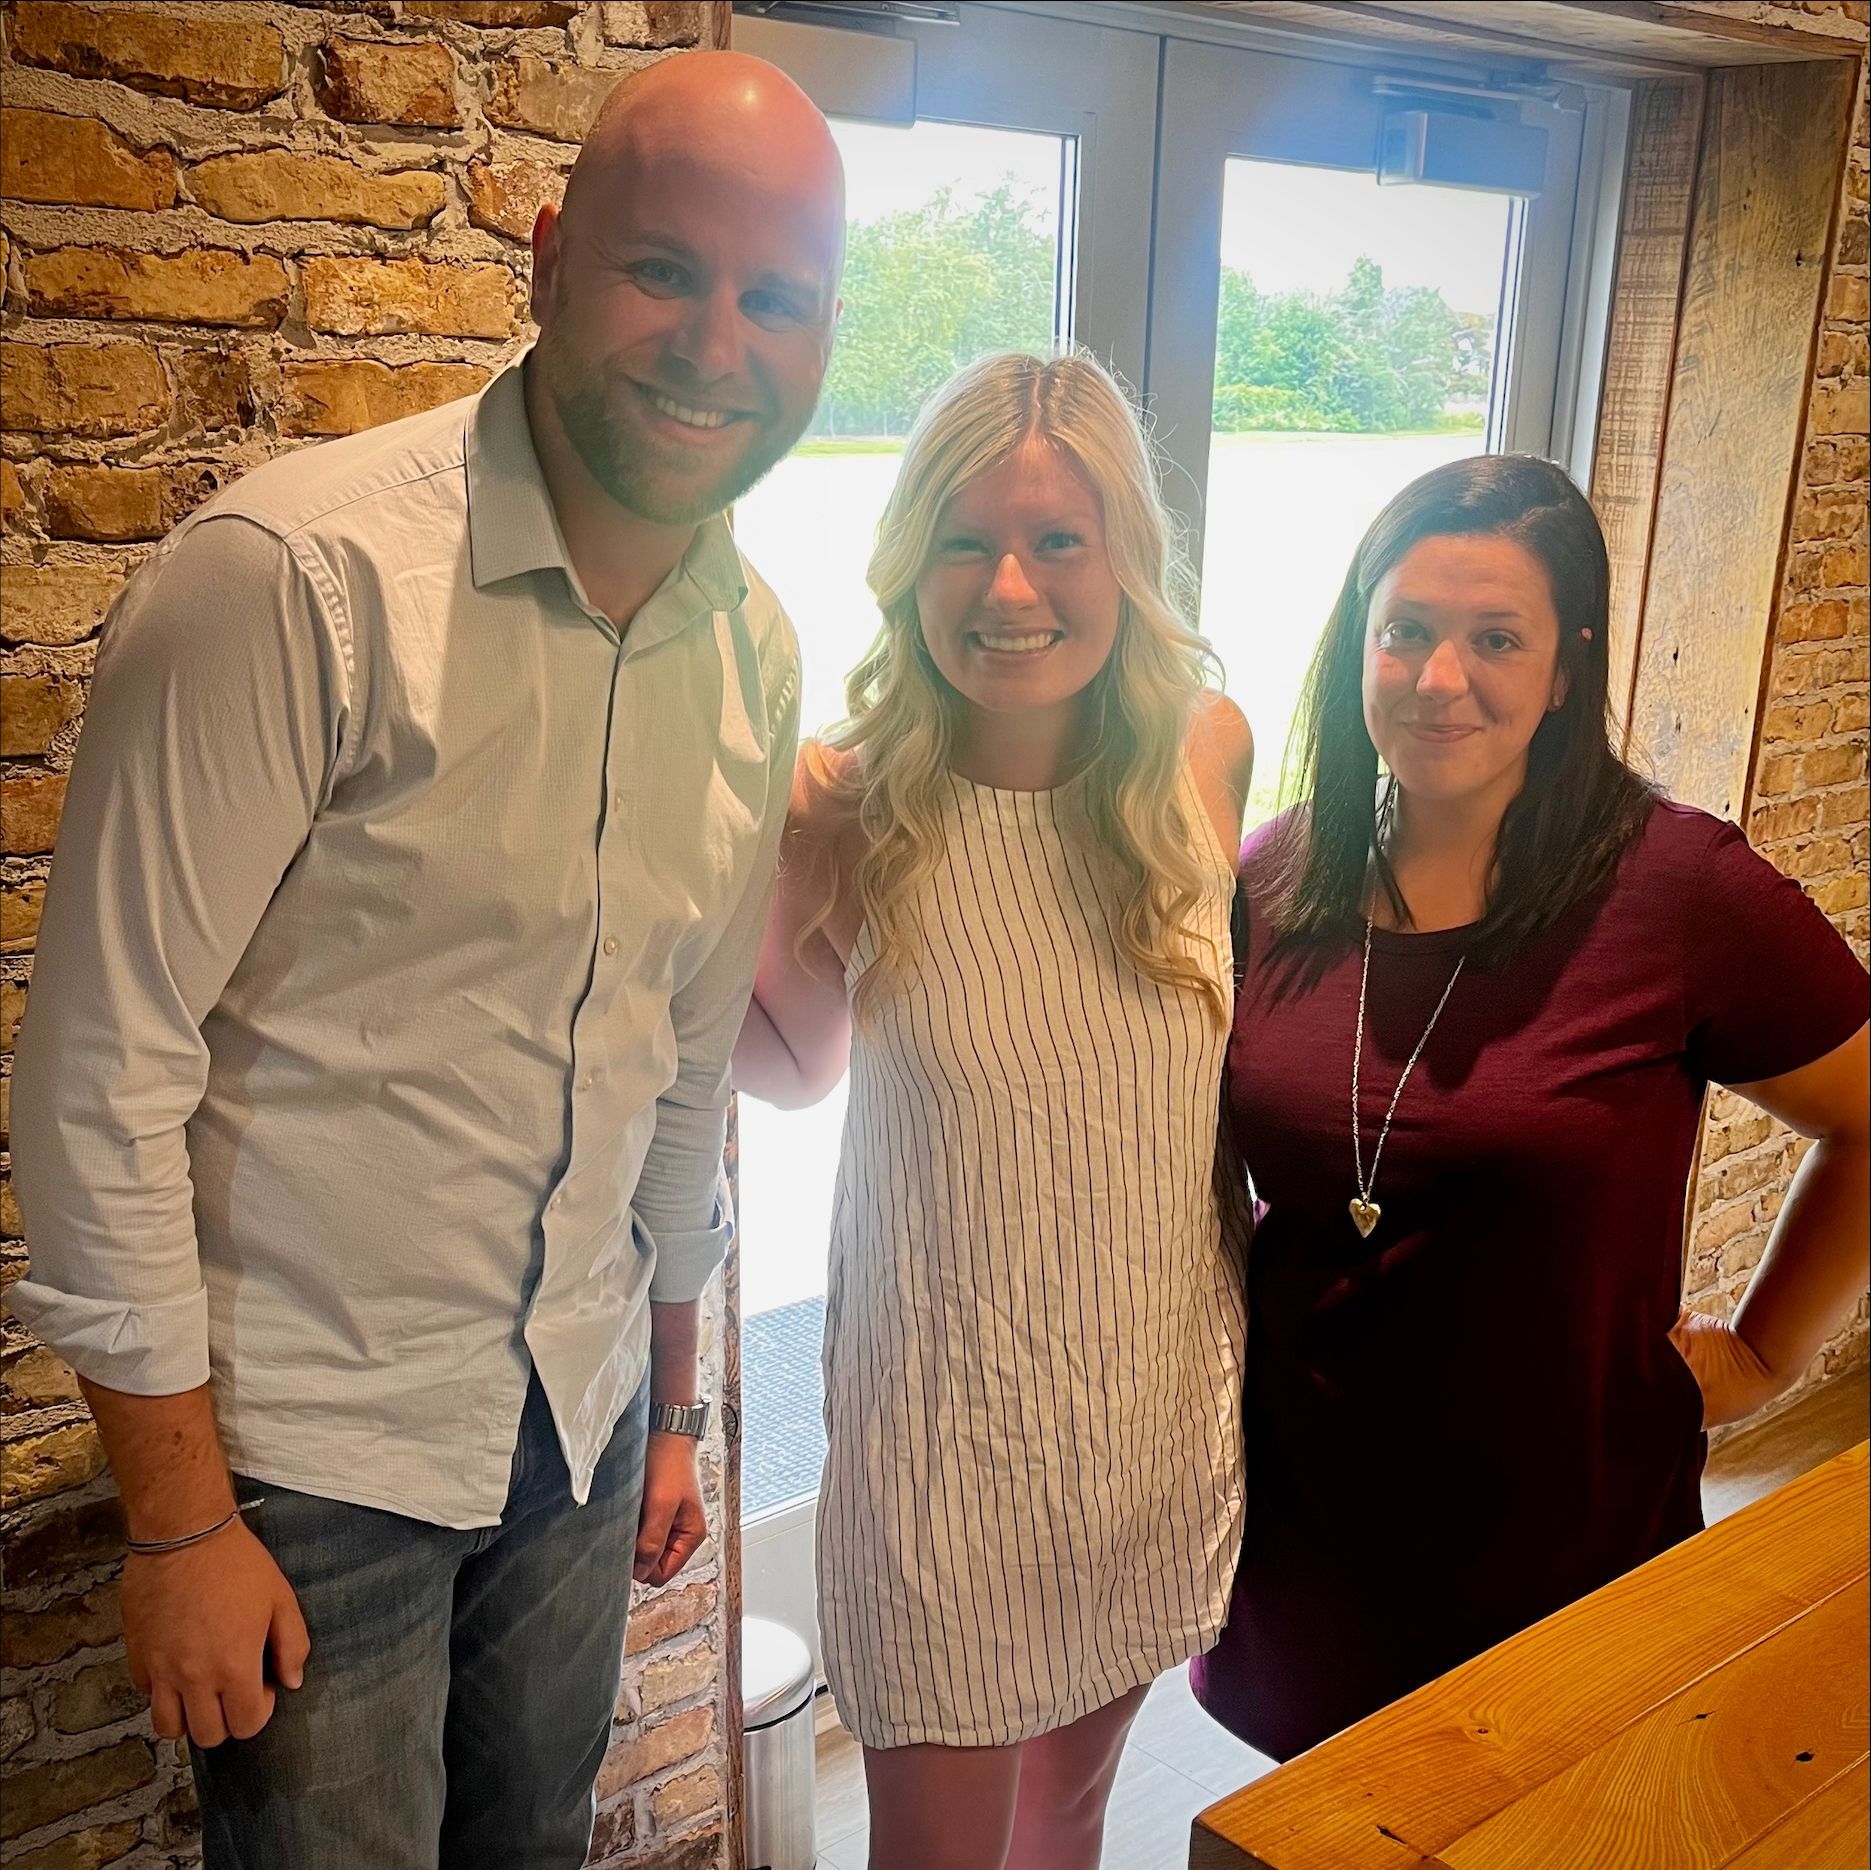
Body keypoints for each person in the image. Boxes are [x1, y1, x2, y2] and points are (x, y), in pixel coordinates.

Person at [8, 51, 844, 1868]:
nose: (718, 340)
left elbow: (684, 1075)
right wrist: (174, 1525)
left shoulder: (754, 646)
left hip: (586, 1411)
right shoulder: (296, 581)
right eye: (661, 269)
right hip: (313, 1461)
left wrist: (679, 1403)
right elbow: (99, 1073)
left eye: (777, 296)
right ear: (546, 257)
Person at [1193, 453, 1870, 1762]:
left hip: (1568, 1532)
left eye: (1495, 638)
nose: (1442, 678)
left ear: (1567, 668)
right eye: (1406, 631)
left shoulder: (1680, 890)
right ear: (1360, 649)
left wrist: (1772, 1349)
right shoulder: (1268, 881)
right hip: (1307, 1529)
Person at [733, 350, 1256, 1870]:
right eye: (966, 540)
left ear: (1125, 563)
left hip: (1137, 1414)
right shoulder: (843, 793)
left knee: (1073, 1817)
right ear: (912, 562)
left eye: (1058, 541)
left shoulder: (1200, 755)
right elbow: (796, 1063)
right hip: (942, 1440)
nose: (1010, 585)